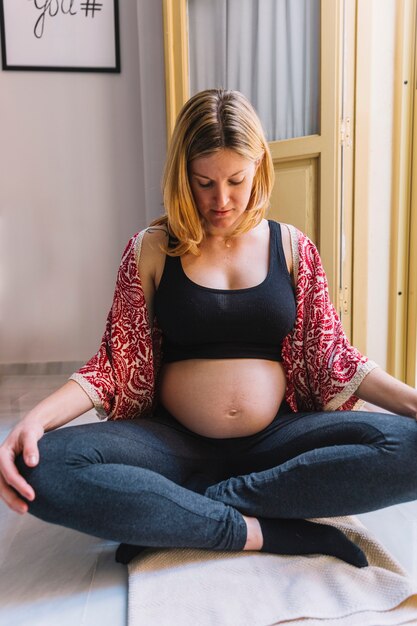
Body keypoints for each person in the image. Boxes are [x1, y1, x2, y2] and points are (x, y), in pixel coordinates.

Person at [1, 89, 417, 569]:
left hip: (276, 441)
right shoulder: (153, 249)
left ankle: (185, 509)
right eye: (204, 183)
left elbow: (334, 358)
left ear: (259, 164)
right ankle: (255, 530)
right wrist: (34, 420)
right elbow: (115, 366)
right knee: (43, 465)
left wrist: (411, 402)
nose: (221, 200)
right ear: (183, 175)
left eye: (236, 180)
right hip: (172, 443)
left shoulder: (292, 247)